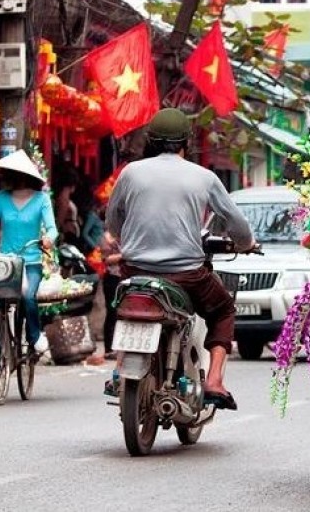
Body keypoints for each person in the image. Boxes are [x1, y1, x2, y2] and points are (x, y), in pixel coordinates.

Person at [105, 108, 255, 410]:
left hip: (135, 272)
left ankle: (120, 368)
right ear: (186, 142)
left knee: (123, 307)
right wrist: (247, 243)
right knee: (223, 308)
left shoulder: (131, 173)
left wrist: (130, 241)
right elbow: (238, 227)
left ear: (151, 141)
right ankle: (214, 380)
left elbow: (113, 222)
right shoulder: (204, 177)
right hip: (186, 276)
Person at [0, 150, 58, 354]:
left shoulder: (41, 199)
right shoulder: (1, 198)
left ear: (27, 175)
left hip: (31, 262)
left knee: (28, 296)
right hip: (5, 262)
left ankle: (35, 336)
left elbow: (52, 229)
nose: (13, 178)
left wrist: (48, 239)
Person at [98, 230, 122, 360]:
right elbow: (106, 260)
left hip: (124, 276)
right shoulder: (107, 237)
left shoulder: (129, 233)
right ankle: (109, 348)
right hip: (112, 277)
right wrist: (124, 256)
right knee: (112, 311)